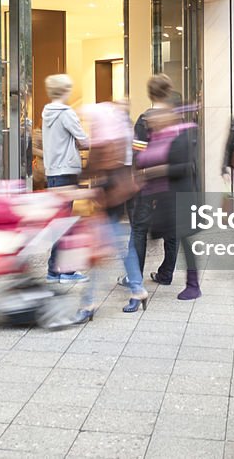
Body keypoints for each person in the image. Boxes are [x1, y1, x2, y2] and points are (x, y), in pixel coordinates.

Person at [77, 100, 148, 319]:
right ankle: (137, 289)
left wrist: (76, 184)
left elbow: (95, 165)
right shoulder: (121, 131)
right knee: (119, 248)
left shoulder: (104, 137)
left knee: (98, 254)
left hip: (110, 196)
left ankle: (88, 304)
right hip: (116, 194)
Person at [137, 104, 202, 300]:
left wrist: (157, 171)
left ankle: (193, 285)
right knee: (166, 236)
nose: (152, 123)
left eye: (156, 119)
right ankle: (164, 274)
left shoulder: (180, 137)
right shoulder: (160, 137)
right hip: (167, 196)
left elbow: (185, 167)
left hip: (181, 195)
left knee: (185, 240)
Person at [122, 74, 174, 283]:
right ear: (168, 92)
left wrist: (136, 177)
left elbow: (138, 153)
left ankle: (135, 277)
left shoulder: (144, 120)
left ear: (150, 93)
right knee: (172, 231)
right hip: (171, 181)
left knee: (139, 230)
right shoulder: (176, 119)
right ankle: (166, 273)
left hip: (149, 183)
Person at [41, 74, 90, 283]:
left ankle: (54, 270)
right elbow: (84, 141)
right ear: (65, 91)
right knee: (65, 223)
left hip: (52, 172)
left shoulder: (47, 113)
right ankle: (64, 271)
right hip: (67, 171)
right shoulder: (67, 113)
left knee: (60, 222)